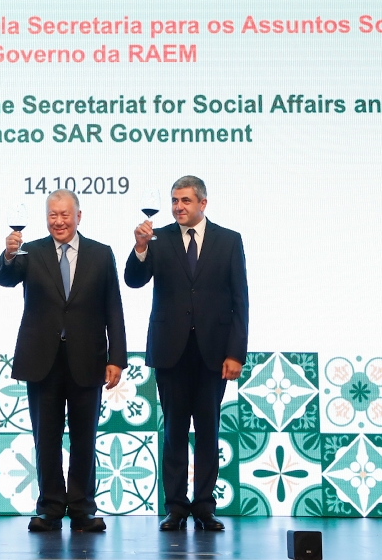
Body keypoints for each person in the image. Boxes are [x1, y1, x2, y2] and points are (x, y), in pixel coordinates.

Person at [0, 190, 126, 533]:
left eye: (65, 214)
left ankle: (83, 508)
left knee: (85, 439)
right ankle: (50, 508)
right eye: (52, 215)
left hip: (88, 358)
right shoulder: (30, 251)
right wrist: (8, 255)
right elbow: (4, 278)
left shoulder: (101, 253)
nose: (59, 221)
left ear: (78, 216)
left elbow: (113, 307)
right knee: (46, 439)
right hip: (42, 360)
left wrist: (117, 358)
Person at [125, 176, 248, 531]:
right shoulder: (158, 238)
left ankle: (205, 507)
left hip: (214, 353)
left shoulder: (229, 240)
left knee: (208, 432)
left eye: (185, 201)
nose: (178, 207)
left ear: (202, 203)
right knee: (174, 432)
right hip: (170, 350)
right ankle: (176, 507)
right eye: (174, 201)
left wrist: (236, 352)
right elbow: (134, 279)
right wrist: (140, 248)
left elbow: (240, 299)